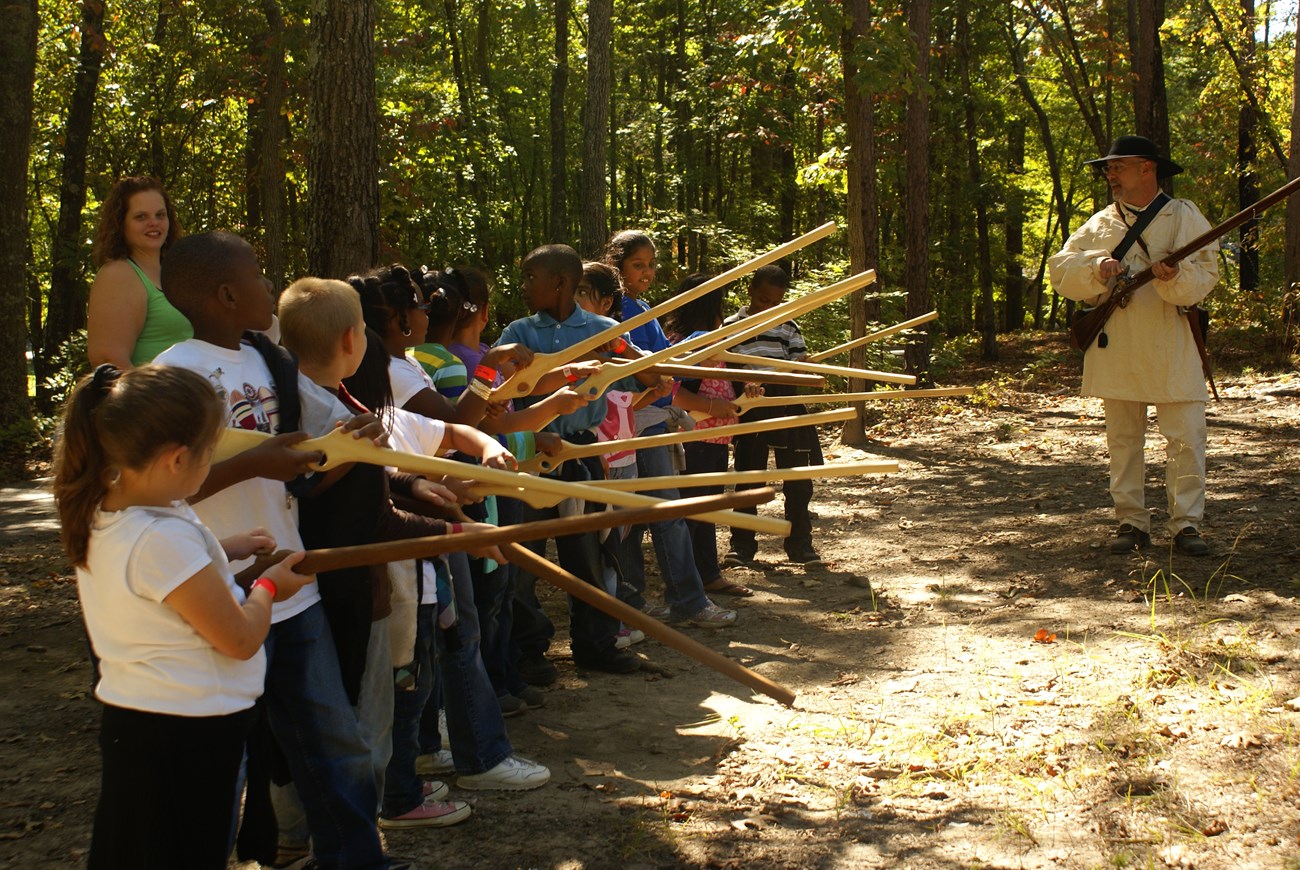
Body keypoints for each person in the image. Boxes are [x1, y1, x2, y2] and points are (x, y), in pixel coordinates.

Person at [154, 231, 396, 870]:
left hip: (292, 583)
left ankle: (354, 860)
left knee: (333, 741)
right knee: (224, 758)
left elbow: (303, 473)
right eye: (258, 275)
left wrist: (347, 449)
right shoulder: (174, 376)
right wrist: (257, 461)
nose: (269, 286)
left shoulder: (271, 361)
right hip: (216, 591)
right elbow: (160, 487)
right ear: (227, 294)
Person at [53, 363, 309, 870]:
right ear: (175, 459)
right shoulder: (161, 538)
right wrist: (267, 587)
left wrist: (223, 550)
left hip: (142, 721)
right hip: (186, 734)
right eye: (208, 454)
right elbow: (238, 638)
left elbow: (162, 585)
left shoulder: (109, 508)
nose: (210, 466)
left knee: (136, 847)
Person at [1048, 135, 1218, 556]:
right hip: (1118, 342)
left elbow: (1206, 274)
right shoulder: (1101, 222)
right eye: (1109, 167)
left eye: (1118, 166)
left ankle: (1186, 526)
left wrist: (1173, 278)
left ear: (1148, 168)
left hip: (1172, 341)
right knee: (1123, 439)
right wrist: (1097, 267)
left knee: (1186, 438)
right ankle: (1131, 521)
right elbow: (1062, 268)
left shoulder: (1184, 216)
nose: (1110, 174)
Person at [495, 244, 650, 672]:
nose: (523, 287)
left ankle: (595, 644)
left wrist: (624, 354)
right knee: (525, 557)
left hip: (582, 451)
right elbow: (498, 391)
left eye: (531, 278)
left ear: (559, 283)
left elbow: (653, 378)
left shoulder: (603, 328)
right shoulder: (519, 332)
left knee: (588, 554)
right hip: (530, 453)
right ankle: (527, 652)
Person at [602, 230, 736, 627]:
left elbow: (663, 366)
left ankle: (638, 601)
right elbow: (644, 368)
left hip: (650, 420)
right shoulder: (621, 310)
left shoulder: (642, 307)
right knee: (661, 513)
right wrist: (686, 353)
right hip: (636, 422)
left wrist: (690, 349)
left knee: (645, 514)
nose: (647, 272)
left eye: (651, 264)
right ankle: (684, 602)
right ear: (617, 266)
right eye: (637, 265)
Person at [722, 263, 826, 567]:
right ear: (751, 291)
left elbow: (797, 364)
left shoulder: (788, 326)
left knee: (798, 480)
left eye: (775, 303)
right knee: (749, 477)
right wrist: (744, 382)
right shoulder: (732, 324)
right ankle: (741, 546)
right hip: (752, 406)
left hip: (786, 403)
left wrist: (804, 365)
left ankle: (800, 544)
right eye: (763, 300)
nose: (768, 308)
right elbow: (725, 366)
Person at [663, 274, 757, 598]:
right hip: (693, 440)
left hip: (717, 440)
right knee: (694, 510)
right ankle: (691, 580)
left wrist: (747, 392)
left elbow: (728, 384)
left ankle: (705, 573)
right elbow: (674, 393)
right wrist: (709, 403)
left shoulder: (716, 343)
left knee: (707, 508)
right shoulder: (681, 343)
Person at [86, 176, 192, 368]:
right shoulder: (118, 275)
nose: (154, 222)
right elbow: (108, 361)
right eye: (141, 217)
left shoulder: (176, 272)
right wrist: (155, 399)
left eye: (160, 215)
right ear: (121, 223)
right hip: (155, 397)